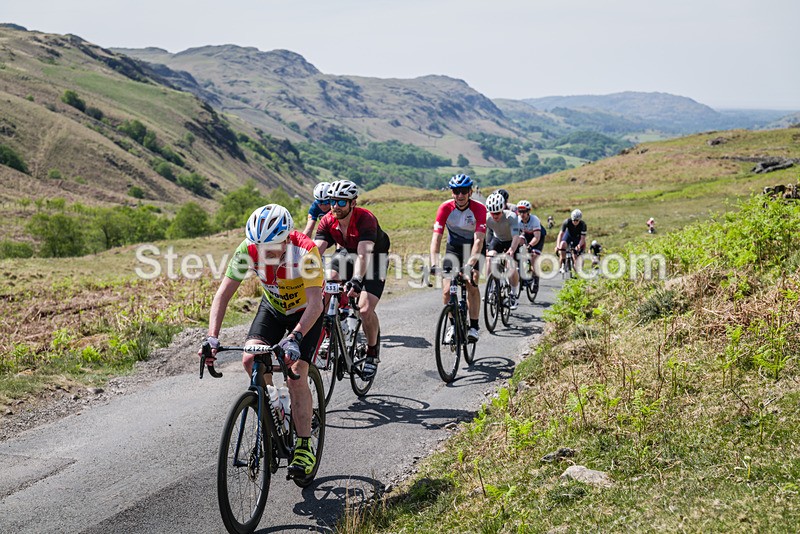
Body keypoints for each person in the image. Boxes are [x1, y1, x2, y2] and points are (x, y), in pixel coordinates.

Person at [201, 204, 324, 479]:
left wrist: (295, 337)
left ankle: (303, 444)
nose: (265, 255)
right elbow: (223, 295)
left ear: (286, 239)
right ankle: (276, 410)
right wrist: (212, 338)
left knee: (296, 373)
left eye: (271, 249)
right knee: (249, 359)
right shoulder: (247, 249)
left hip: (306, 314)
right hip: (273, 308)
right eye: (260, 248)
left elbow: (316, 304)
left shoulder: (305, 251)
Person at [314, 179, 390, 380]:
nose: (335, 207)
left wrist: (356, 280)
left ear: (352, 203)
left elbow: (364, 254)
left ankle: (372, 354)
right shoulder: (328, 221)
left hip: (375, 259)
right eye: (332, 202)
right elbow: (314, 251)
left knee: (365, 310)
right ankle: (332, 332)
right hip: (347, 254)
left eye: (341, 202)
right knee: (329, 281)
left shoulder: (366, 219)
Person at [430, 174, 487, 341]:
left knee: (471, 282)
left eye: (463, 191)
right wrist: (434, 264)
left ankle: (474, 327)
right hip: (454, 247)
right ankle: (453, 325)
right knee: (447, 291)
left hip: (474, 248)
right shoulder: (445, 208)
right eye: (456, 191)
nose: (460, 195)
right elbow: (436, 238)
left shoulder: (479, 209)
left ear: (470, 192)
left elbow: (479, 240)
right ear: (452, 192)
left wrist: (470, 265)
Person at [485, 192, 523, 309]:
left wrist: (512, 249)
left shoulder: (511, 216)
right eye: (492, 213)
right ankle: (490, 289)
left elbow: (516, 236)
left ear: (502, 209)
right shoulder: (486, 218)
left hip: (512, 241)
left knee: (511, 266)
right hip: (498, 240)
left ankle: (513, 294)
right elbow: (480, 234)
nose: (495, 216)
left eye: (497, 213)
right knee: (490, 258)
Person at [516, 200, 545, 292]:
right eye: (520, 211)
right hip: (526, 235)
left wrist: (529, 246)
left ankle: (536, 280)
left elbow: (536, 237)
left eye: (524, 211)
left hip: (537, 237)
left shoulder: (534, 220)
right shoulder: (517, 220)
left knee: (534, 257)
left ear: (528, 212)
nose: (522, 214)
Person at [556, 209, 587, 274]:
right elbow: (560, 234)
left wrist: (579, 245)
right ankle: (563, 264)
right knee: (562, 244)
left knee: (576, 256)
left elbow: (583, 238)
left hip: (577, 238)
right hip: (568, 236)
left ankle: (578, 272)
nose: (575, 222)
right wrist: (558, 246)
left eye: (577, 220)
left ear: (580, 219)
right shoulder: (567, 222)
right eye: (574, 220)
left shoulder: (583, 225)